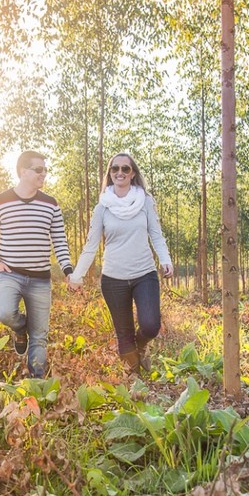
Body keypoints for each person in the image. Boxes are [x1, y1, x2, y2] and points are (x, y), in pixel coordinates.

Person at [68, 152, 173, 375]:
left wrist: (165, 259)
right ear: (110, 173)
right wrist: (76, 276)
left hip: (144, 274)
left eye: (125, 169)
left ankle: (141, 346)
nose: (120, 173)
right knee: (123, 333)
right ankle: (135, 382)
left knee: (150, 326)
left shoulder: (145, 201)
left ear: (133, 173)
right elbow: (90, 245)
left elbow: (156, 234)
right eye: (115, 169)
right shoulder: (102, 208)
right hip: (113, 279)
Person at [0, 151, 75, 378]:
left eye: (45, 170)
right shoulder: (0, 201)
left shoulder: (51, 204)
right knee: (4, 313)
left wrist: (68, 270)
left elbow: (60, 241)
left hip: (40, 280)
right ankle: (19, 327)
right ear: (23, 172)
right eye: (39, 170)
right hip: (9, 274)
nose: (44, 174)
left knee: (40, 335)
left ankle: (37, 383)